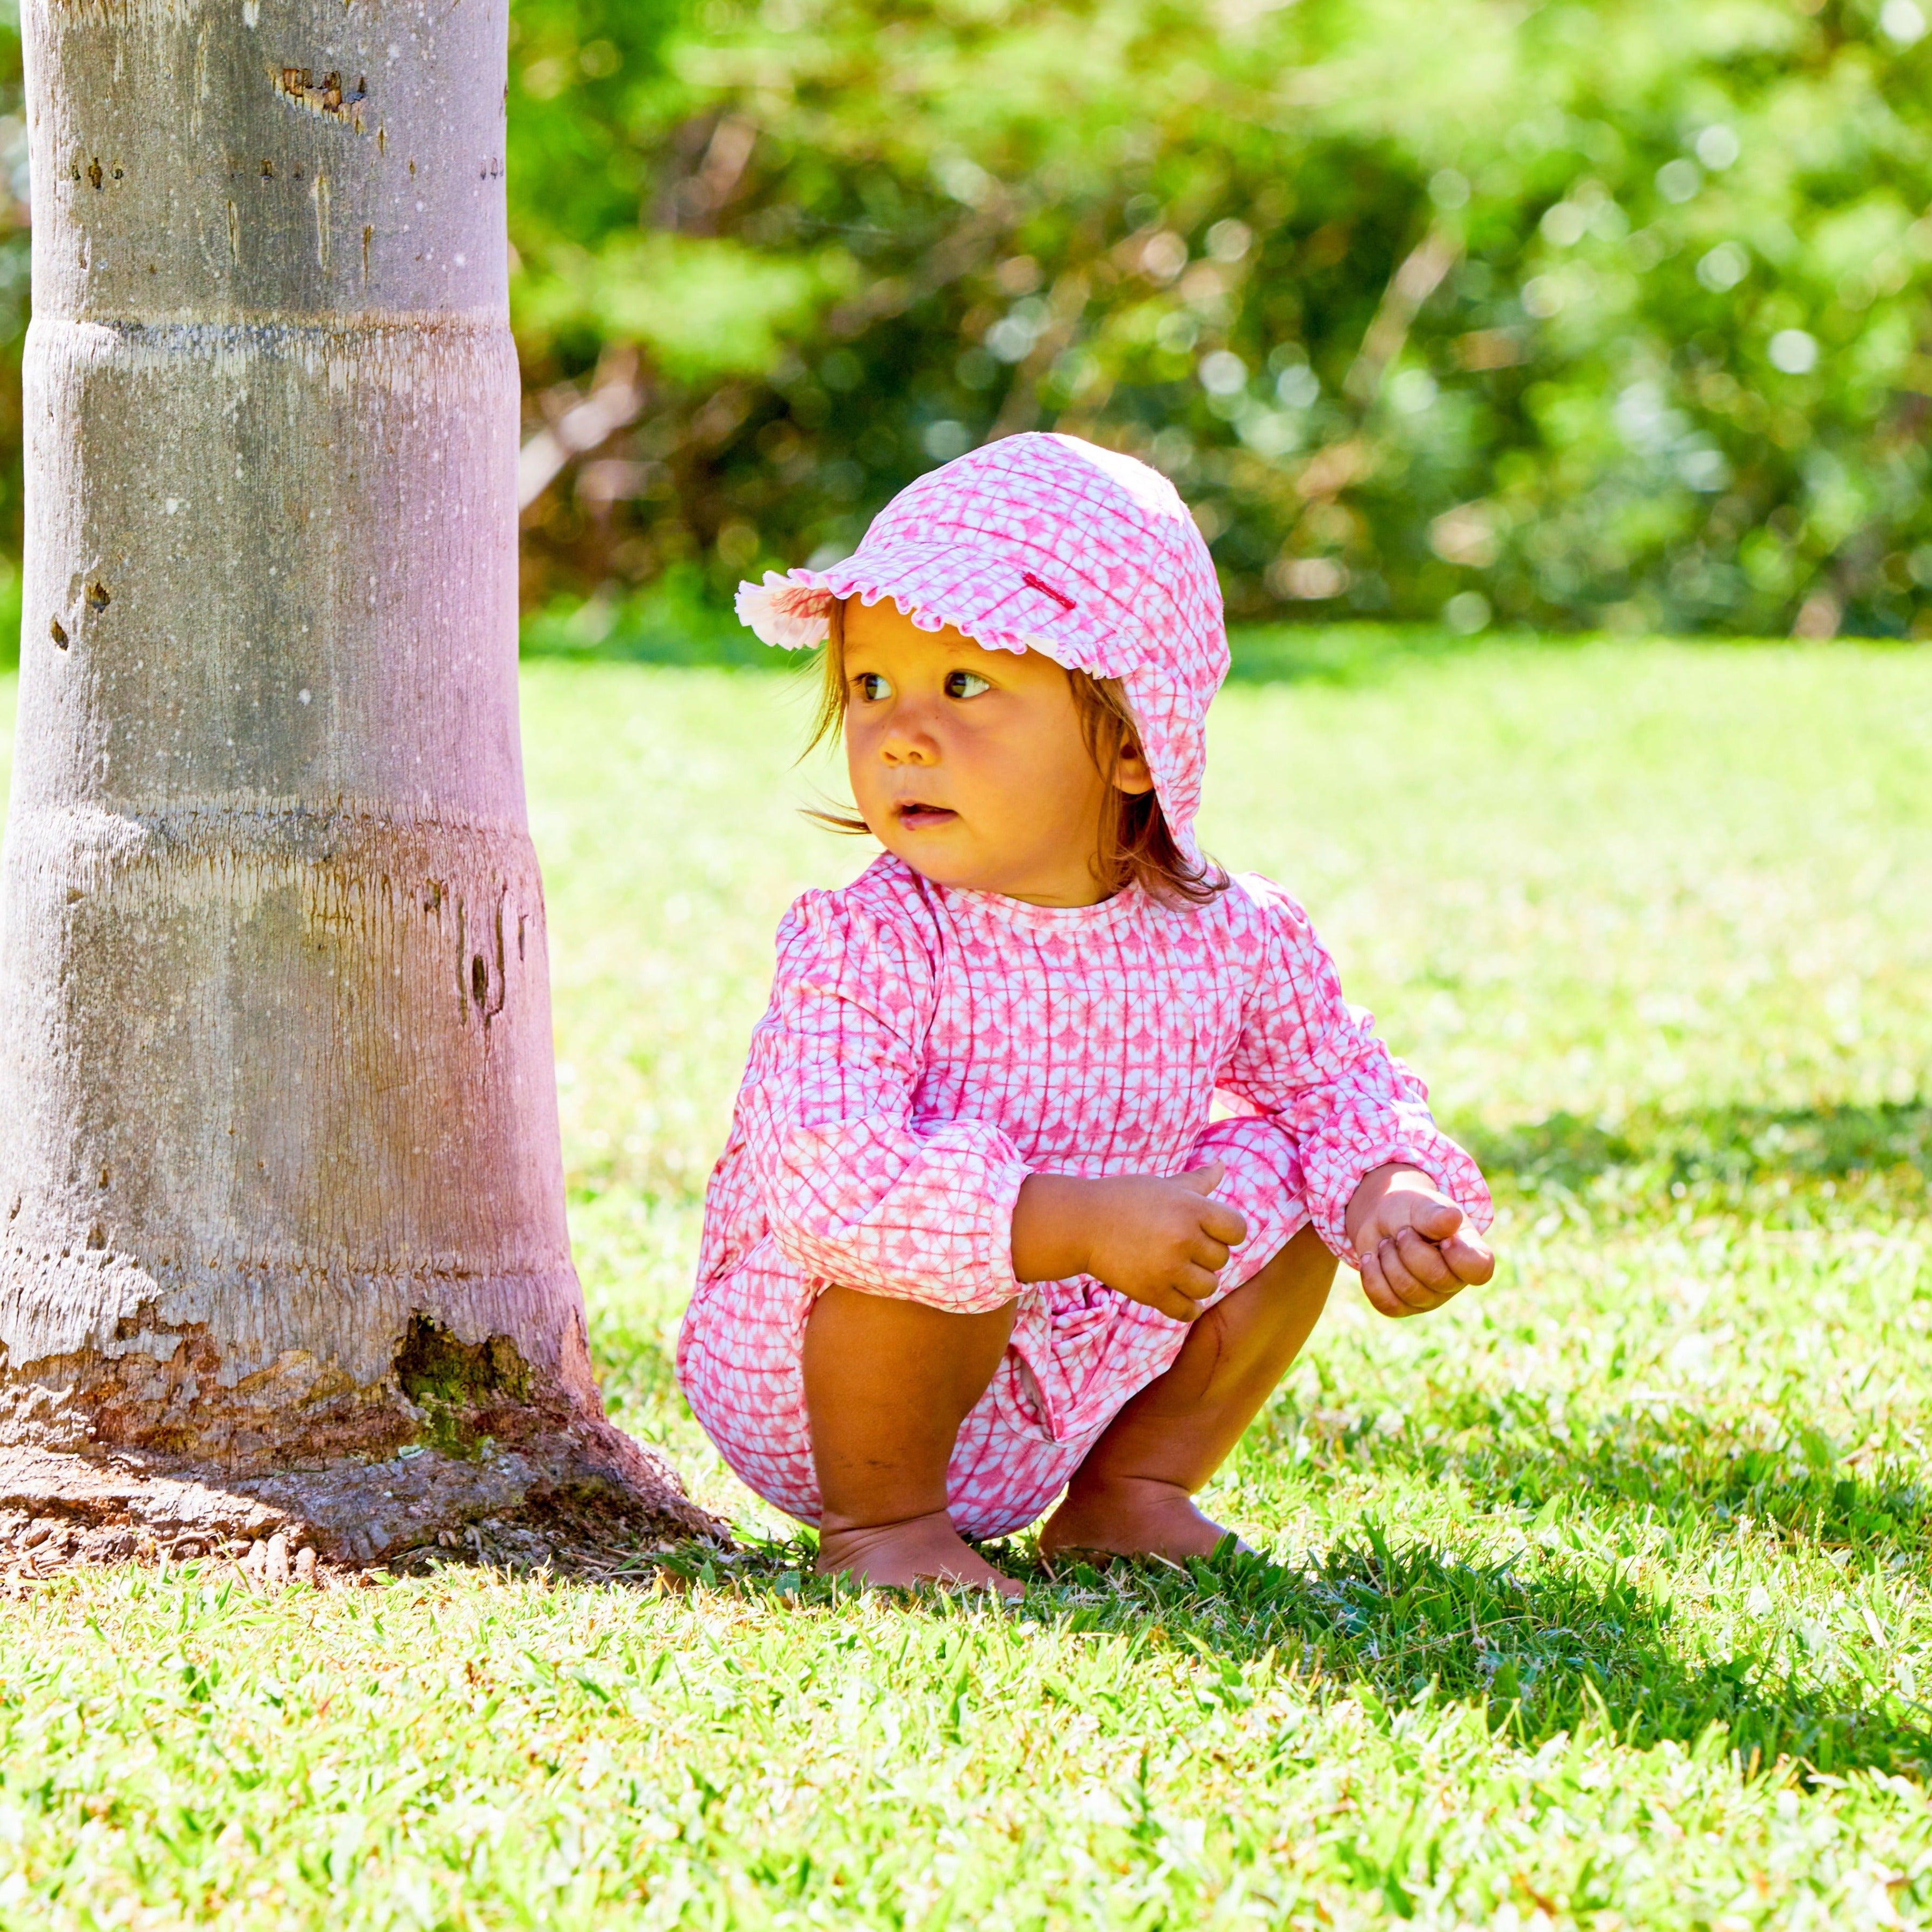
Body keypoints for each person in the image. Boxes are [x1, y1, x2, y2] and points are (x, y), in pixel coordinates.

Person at [676, 432, 1494, 1596]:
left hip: (1078, 1366)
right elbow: (826, 1179)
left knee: (1295, 1160)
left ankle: (1130, 1491)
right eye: (870, 686)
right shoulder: (872, 938)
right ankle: (886, 1528)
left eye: (965, 685)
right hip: (825, 1382)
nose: (900, 731)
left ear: (1133, 744)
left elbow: (1335, 1084)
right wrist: (1064, 1223)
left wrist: (1390, 1187)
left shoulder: (1231, 933)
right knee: (934, 1197)